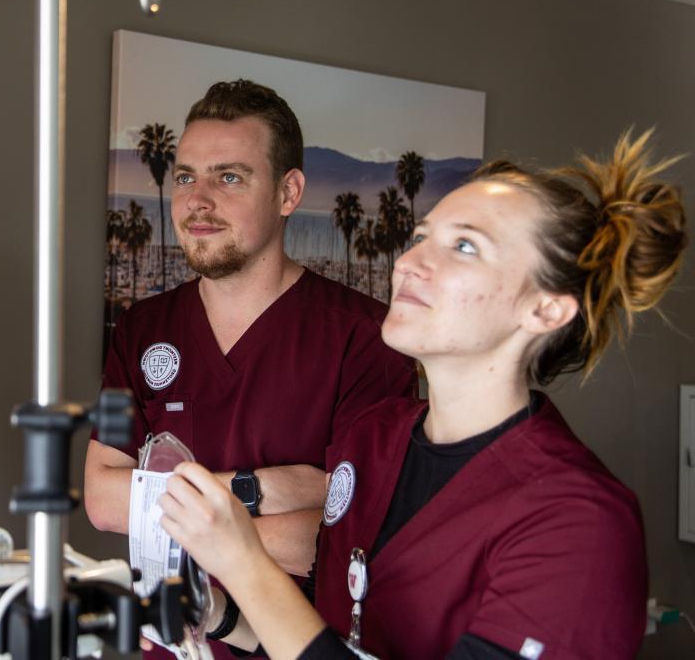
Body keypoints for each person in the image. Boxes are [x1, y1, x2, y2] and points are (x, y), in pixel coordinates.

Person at [156, 130, 687, 659]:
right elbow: (326, 632)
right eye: (421, 238)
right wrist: (218, 614)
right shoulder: (371, 440)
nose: (407, 263)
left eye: (464, 246)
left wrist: (244, 564)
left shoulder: (579, 522)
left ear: (546, 310)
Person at [84, 79, 415, 654]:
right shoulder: (141, 330)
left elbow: (356, 535)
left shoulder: (366, 338)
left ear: (288, 194)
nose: (197, 200)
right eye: (185, 176)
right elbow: (102, 498)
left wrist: (189, 525)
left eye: (229, 177)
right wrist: (263, 489)